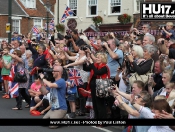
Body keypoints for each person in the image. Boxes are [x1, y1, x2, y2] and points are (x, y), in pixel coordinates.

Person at [83, 52, 110, 120]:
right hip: (93, 86)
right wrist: (85, 62)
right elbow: (85, 69)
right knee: (95, 104)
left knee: (100, 104)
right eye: (97, 57)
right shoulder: (95, 65)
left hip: (100, 87)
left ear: (103, 59)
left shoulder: (104, 67)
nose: (96, 58)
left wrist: (92, 64)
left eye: (98, 57)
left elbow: (97, 72)